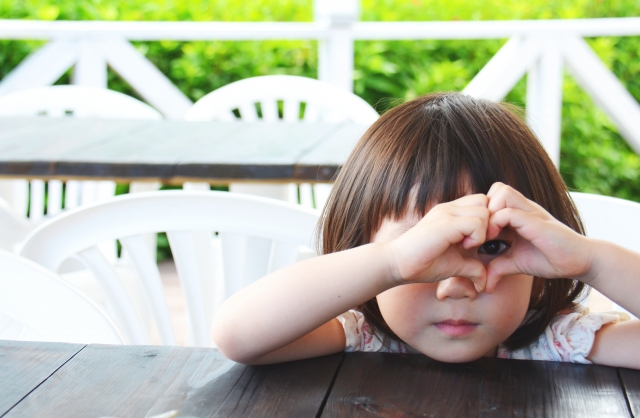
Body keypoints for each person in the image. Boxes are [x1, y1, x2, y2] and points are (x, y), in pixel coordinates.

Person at [211, 92, 640, 369]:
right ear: (363, 248)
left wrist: (592, 260)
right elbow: (236, 336)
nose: (455, 287)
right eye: (423, 250)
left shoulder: (555, 342)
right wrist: (393, 262)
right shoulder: (360, 334)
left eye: (492, 247)